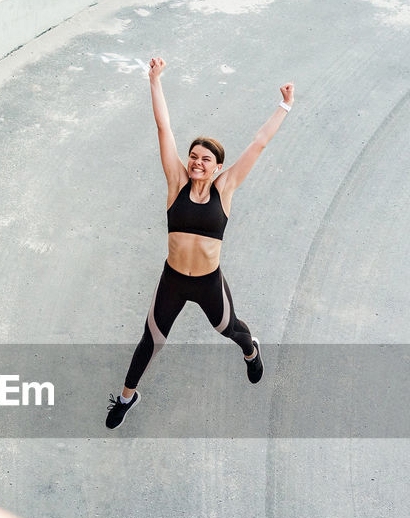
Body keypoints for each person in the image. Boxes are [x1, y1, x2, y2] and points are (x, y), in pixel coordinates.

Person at [106, 57, 294, 428]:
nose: (196, 162)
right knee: (151, 341)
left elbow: (258, 144)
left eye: (205, 159)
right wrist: (154, 81)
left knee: (230, 329)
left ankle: (251, 351)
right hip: (173, 279)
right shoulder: (176, 183)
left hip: (208, 282)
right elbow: (164, 128)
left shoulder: (225, 189)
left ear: (218, 167)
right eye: (193, 156)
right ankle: (127, 397)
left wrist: (284, 105)